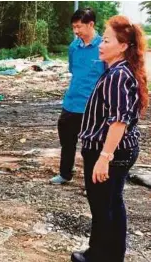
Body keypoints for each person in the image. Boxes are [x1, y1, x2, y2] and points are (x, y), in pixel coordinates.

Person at [71, 15, 148, 262]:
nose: (101, 45)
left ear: (123, 46)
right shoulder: (120, 70)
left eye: (106, 40)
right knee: (112, 202)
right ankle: (112, 254)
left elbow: (119, 120)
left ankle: (99, 255)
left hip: (109, 150)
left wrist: (104, 156)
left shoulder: (117, 75)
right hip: (118, 149)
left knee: (103, 205)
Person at [50, 8, 105, 185]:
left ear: (91, 24)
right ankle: (65, 174)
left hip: (93, 106)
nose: (76, 31)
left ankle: (94, 181)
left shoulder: (103, 47)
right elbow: (74, 71)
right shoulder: (74, 47)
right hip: (72, 102)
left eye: (79, 26)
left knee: (93, 146)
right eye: (73, 27)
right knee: (67, 141)